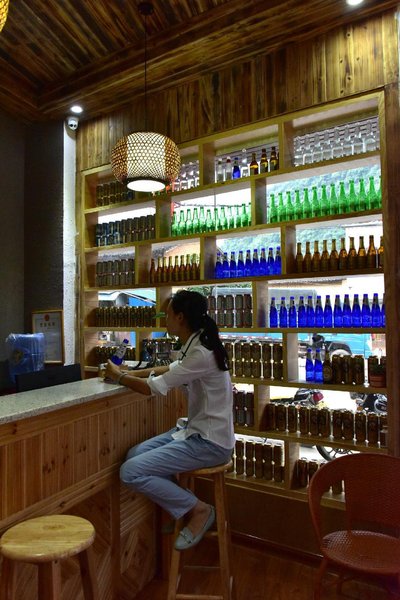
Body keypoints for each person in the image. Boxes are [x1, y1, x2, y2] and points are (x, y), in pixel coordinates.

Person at [105, 290, 235, 551]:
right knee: (134, 454)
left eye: (167, 314)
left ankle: (198, 510)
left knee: (130, 472)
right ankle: (185, 507)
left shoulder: (201, 353)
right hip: (195, 431)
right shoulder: (197, 344)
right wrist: (130, 372)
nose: (164, 319)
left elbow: (152, 389)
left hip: (210, 443)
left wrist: (119, 377)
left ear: (180, 317)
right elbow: (170, 370)